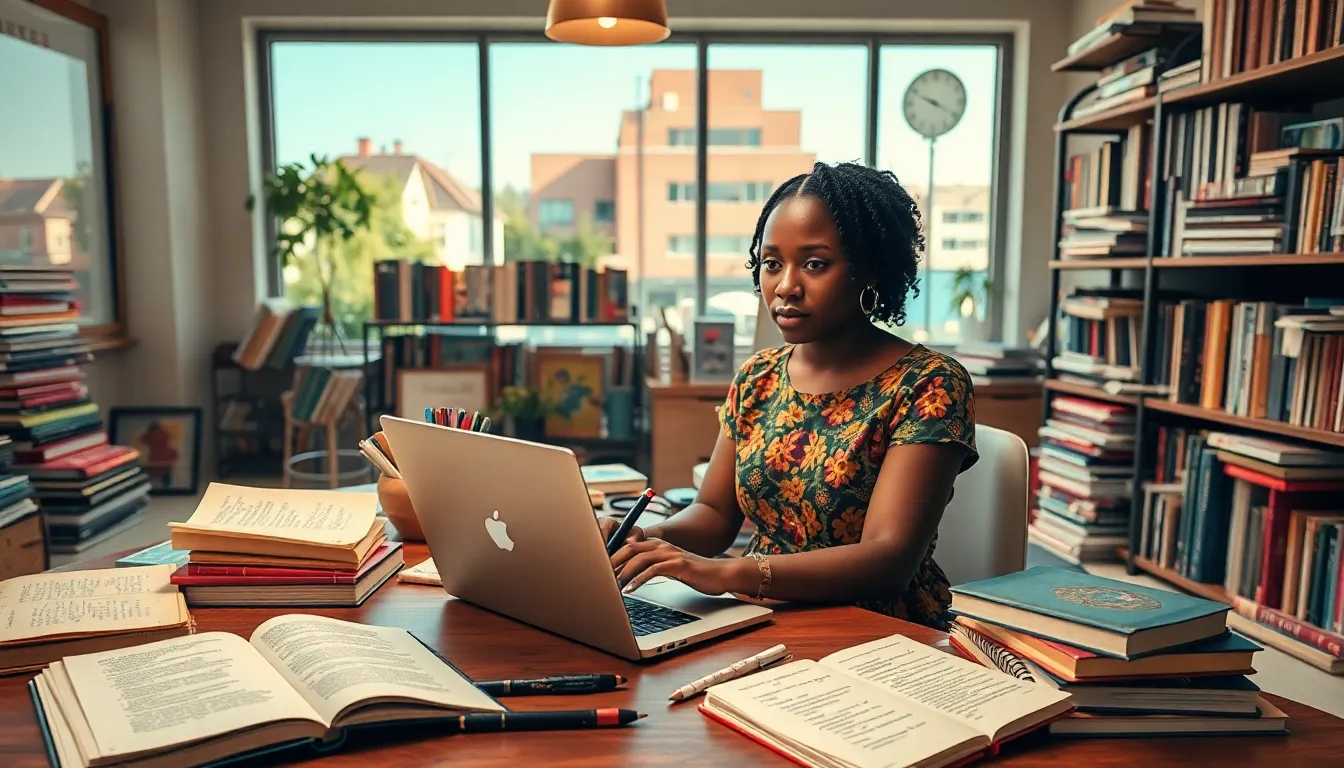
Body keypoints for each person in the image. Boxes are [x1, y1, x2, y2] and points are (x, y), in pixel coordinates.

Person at [602, 162, 977, 630]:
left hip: (881, 630)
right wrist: (642, 539)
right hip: (759, 616)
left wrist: (725, 572)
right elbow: (714, 515)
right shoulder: (758, 376)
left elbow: (889, 560)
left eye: (815, 264)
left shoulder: (930, 383)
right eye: (771, 263)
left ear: (870, 270)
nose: (784, 286)